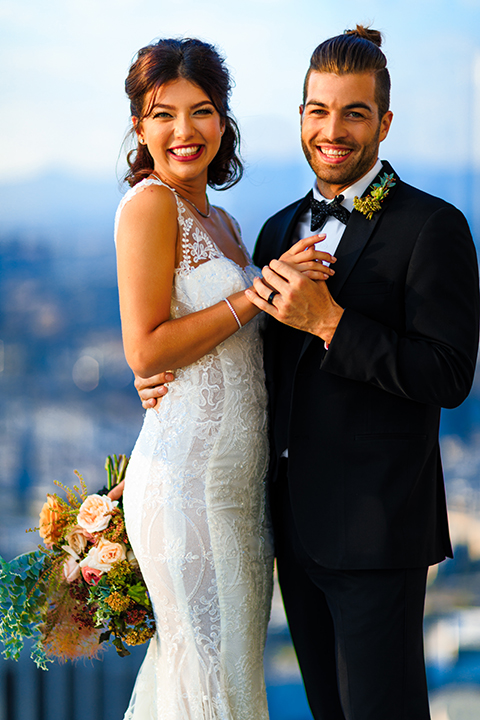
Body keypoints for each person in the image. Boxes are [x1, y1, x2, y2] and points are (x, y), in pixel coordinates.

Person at [137, 26, 480, 720]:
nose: (334, 130)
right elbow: (248, 360)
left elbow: (449, 375)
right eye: (319, 111)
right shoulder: (273, 231)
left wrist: (331, 323)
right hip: (288, 533)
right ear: (300, 117)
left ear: (383, 122)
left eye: (354, 112)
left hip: (377, 532)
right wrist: (160, 376)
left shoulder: (432, 227)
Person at [111, 37, 332, 720]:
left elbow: (228, 353)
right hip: (186, 487)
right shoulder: (151, 206)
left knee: (232, 680)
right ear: (140, 128)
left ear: (223, 121)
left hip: (240, 495)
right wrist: (255, 294)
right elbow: (145, 350)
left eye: (201, 111)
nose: (184, 131)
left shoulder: (229, 223)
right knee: (206, 681)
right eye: (163, 114)